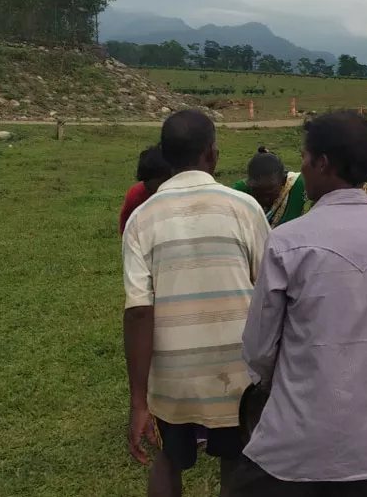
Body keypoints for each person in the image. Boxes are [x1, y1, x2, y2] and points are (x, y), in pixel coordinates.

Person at [233, 111, 367, 497]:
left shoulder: (288, 241)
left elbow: (258, 350)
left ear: (322, 163)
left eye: (304, 157)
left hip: (293, 446)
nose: (300, 166)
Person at [122, 110, 270, 497]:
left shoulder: (141, 218)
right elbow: (269, 295)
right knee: (237, 462)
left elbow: (138, 311)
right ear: (213, 155)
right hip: (238, 372)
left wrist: (138, 402)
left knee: (169, 459)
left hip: (173, 376)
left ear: (167, 158)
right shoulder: (246, 208)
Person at [232, 147, 306, 228]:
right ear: (248, 183)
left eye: (270, 193)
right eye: (258, 193)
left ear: (283, 179)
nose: (264, 199)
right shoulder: (238, 193)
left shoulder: (298, 185)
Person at [119, 145, 173, 234]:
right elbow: (126, 230)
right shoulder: (135, 197)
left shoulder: (181, 194)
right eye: (151, 191)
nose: (156, 195)